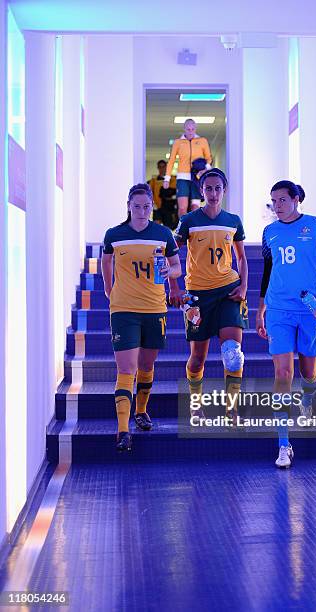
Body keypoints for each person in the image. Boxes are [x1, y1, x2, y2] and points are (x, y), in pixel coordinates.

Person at [256, 180, 316, 468]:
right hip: (279, 310)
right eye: (273, 202)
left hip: (311, 309)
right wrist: (261, 310)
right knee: (283, 373)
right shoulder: (269, 232)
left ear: (295, 199)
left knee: (309, 372)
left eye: (282, 200)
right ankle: (283, 444)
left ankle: (308, 398)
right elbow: (268, 273)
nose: (277, 207)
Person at [101, 183, 181, 452]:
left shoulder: (163, 234)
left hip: (155, 308)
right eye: (137, 206)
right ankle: (122, 429)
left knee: (146, 365)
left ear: (152, 206)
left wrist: (168, 272)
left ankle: (141, 411)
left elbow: (178, 267)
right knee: (126, 369)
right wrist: (108, 287)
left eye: (146, 206)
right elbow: (106, 260)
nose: (142, 211)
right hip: (123, 309)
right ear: (128, 206)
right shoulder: (115, 234)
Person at [168, 168, 248, 422]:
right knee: (197, 359)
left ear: (224, 190)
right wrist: (175, 287)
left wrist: (244, 287)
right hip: (198, 296)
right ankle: (195, 403)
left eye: (218, 188)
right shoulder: (190, 220)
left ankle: (232, 408)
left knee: (233, 355)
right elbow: (171, 252)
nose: (213, 193)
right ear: (201, 191)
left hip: (228, 291)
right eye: (208, 188)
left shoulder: (233, 220)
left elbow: (242, 258)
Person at [163, 118, 212, 218]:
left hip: (197, 177)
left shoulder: (202, 141)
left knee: (195, 207)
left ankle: (194, 231)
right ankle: (182, 231)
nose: (190, 132)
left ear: (195, 129)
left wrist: (205, 170)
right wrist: (167, 179)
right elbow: (171, 160)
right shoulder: (178, 142)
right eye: (188, 129)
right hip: (182, 177)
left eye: (192, 129)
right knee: (182, 208)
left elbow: (209, 158)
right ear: (184, 129)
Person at [148, 160, 178, 229]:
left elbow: (176, 192)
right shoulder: (153, 180)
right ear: (158, 168)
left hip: (169, 207)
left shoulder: (173, 179)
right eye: (160, 167)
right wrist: (152, 203)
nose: (162, 169)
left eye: (163, 167)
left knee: (169, 228)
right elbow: (149, 192)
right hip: (157, 207)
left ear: (166, 167)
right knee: (156, 227)